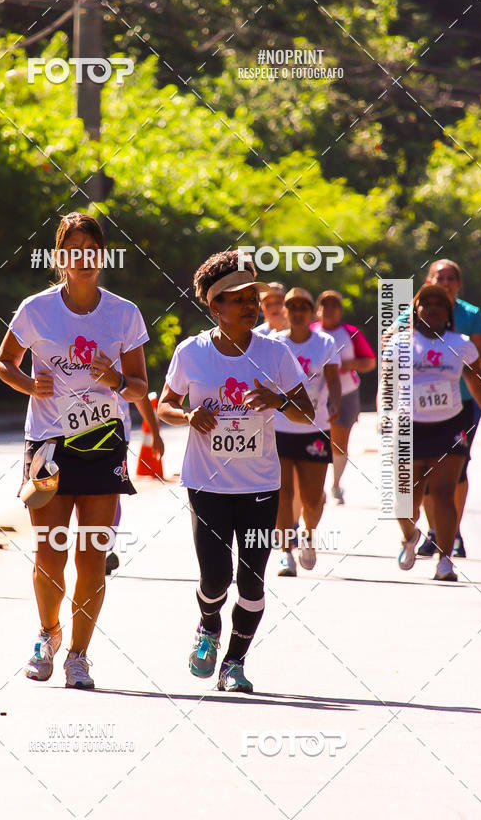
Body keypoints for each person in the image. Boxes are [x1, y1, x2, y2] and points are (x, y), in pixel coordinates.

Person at [0, 212, 149, 689]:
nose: (82, 259)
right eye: (73, 251)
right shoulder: (36, 309)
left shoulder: (124, 313)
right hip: (49, 445)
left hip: (103, 444)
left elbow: (140, 386)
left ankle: (78, 656)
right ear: (59, 257)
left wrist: (115, 380)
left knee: (92, 556)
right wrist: (29, 385)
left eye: (91, 250)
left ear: (102, 256)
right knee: (49, 551)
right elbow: (4, 361)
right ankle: (48, 633)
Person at [157, 252, 313, 693]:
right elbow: (165, 405)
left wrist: (278, 401)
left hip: (260, 485)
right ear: (215, 306)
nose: (250, 306)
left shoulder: (275, 353)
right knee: (215, 578)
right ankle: (209, 625)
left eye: (253, 298)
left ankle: (234, 663)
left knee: (251, 581)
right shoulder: (192, 353)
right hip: (206, 483)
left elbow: (307, 411)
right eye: (239, 299)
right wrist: (188, 416)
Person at [386, 284, 481, 581]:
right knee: (405, 500)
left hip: (449, 425)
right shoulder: (399, 344)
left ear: (448, 313)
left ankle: (445, 561)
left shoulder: (462, 344)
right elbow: (387, 386)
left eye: (440, 304)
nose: (432, 308)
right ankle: (409, 535)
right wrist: (385, 418)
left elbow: (475, 383)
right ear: (416, 311)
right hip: (409, 427)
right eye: (426, 303)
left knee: (443, 493)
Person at [414, 261, 481, 558]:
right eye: (439, 277)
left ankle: (452, 534)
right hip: (415, 414)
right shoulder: (413, 312)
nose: (445, 282)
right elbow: (391, 349)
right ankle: (431, 531)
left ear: (458, 283)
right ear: (428, 281)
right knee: (422, 479)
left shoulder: (470, 315)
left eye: (450, 278)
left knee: (456, 472)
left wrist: (452, 354)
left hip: (464, 405)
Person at [272, 288, 341, 577]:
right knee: (282, 493)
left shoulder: (324, 342)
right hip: (279, 427)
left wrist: (334, 401)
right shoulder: (275, 343)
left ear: (312, 312)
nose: (297, 312)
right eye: (292, 307)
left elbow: (333, 379)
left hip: (315, 427)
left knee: (312, 499)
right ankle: (286, 552)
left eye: (303, 307)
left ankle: (308, 536)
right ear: (285, 312)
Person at [311, 290, 376, 504]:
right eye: (325, 305)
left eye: (334, 305)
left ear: (340, 310)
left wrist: (351, 364)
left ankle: (336, 483)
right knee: (315, 439)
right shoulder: (310, 331)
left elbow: (370, 361)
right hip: (315, 394)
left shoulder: (350, 332)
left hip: (346, 393)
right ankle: (316, 486)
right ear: (318, 309)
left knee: (339, 442)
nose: (329, 309)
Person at [105, 393, 164, 574]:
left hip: (115, 433)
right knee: (84, 492)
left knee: (111, 493)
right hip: (74, 432)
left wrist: (155, 432)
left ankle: (105, 548)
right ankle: (95, 545)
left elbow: (138, 391)